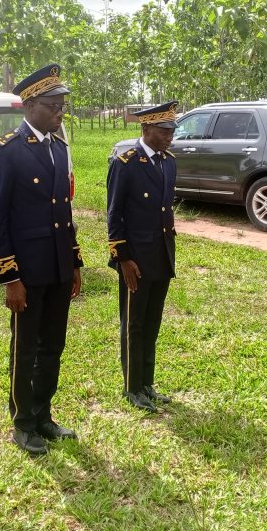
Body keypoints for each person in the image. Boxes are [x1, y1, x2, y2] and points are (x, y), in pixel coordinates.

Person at [0, 62, 83, 456]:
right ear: (29, 106)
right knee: (25, 347)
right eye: (52, 105)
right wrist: (10, 277)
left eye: (62, 105)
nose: (60, 112)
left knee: (53, 345)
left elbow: (65, 213)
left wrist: (74, 263)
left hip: (58, 265)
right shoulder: (7, 151)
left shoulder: (59, 147)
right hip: (27, 269)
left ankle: (43, 413)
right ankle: (22, 422)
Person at [107, 101, 179, 413]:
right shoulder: (126, 163)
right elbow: (114, 215)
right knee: (133, 323)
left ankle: (147, 382)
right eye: (164, 130)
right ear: (145, 128)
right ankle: (132, 386)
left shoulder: (168, 161)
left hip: (161, 254)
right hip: (135, 259)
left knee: (152, 321)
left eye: (172, 130)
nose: (169, 136)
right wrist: (123, 259)